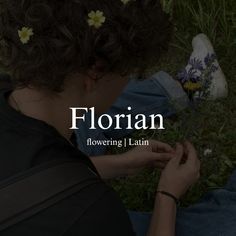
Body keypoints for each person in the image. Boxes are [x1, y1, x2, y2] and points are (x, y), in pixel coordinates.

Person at [0, 0, 229, 236]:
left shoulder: (15, 94)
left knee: (70, 97)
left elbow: (37, 178)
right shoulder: (92, 215)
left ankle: (190, 86)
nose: (127, 80)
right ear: (95, 71)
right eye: (127, 73)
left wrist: (124, 164)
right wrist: (167, 195)